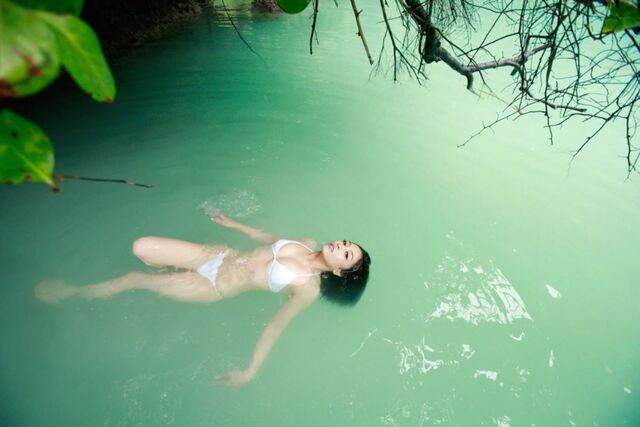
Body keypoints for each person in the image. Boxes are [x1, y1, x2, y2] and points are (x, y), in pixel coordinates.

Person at [36, 212, 371, 387]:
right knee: (142, 248)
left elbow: (275, 326)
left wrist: (251, 370)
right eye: (346, 243)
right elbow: (267, 237)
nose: (340, 246)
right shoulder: (305, 241)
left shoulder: (307, 289)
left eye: (346, 254)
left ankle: (71, 293)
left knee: (135, 279)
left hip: (211, 286)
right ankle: (165, 270)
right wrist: (234, 224)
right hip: (216, 255)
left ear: (339, 272)